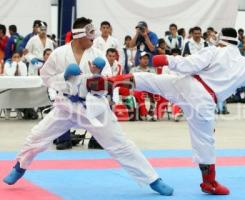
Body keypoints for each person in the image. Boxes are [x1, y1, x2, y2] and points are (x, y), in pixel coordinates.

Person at [106, 27, 245, 196]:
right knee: (205, 141)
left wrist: (168, 60)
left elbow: (190, 63)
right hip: (205, 102)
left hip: (188, 85)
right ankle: (209, 183)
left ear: (221, 40)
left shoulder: (214, 51)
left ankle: (113, 81)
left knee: (152, 81)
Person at [3, 17, 174, 197]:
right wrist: (64, 76)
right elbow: (46, 78)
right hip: (66, 107)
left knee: (121, 144)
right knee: (36, 136)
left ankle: (153, 179)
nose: (94, 37)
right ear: (78, 35)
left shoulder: (98, 55)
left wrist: (96, 77)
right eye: (90, 33)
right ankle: (19, 167)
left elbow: (108, 85)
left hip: (93, 108)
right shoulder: (58, 54)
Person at [131, 51, 156, 121]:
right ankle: (144, 113)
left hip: (149, 88)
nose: (146, 60)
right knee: (139, 94)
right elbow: (130, 81)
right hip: (138, 88)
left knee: (155, 94)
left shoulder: (152, 70)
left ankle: (150, 113)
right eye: (144, 58)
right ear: (139, 60)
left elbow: (155, 81)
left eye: (147, 59)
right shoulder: (134, 70)